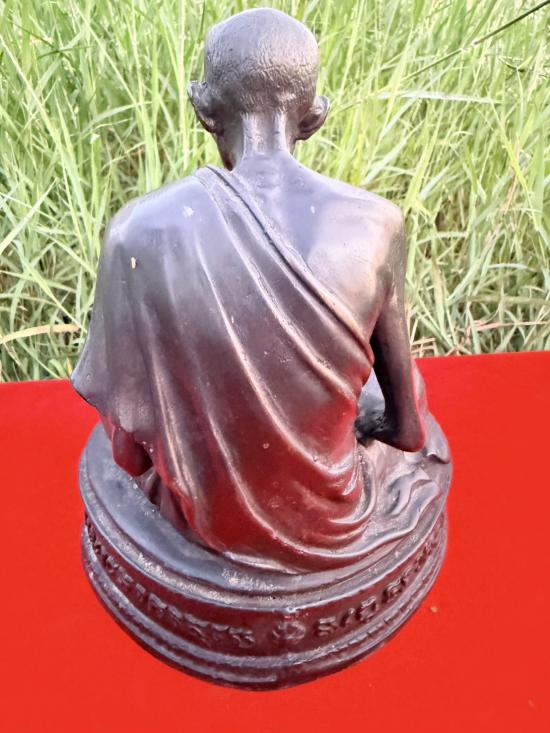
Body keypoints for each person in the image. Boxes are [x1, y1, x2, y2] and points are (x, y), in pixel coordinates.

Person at [72, 8, 448, 574]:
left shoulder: (137, 231)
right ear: (315, 117)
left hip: (201, 517)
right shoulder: (377, 224)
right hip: (332, 515)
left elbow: (127, 454)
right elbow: (407, 430)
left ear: (202, 109)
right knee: (395, 400)